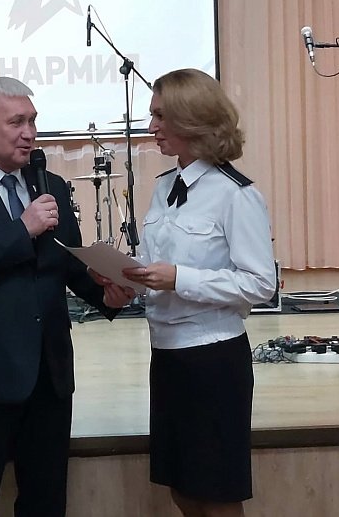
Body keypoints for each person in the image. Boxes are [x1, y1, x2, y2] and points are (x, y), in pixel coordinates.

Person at [0, 76, 134, 517]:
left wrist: (106, 294)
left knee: (45, 500)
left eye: (33, 121)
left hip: (48, 373)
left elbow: (67, 262)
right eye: (16, 122)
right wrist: (22, 229)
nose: (29, 133)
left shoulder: (48, 183)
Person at [122, 69, 276, 517]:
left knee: (216, 493)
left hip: (212, 358)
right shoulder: (163, 187)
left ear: (191, 120)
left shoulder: (235, 194)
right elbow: (153, 264)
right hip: (166, 355)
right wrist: (124, 280)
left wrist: (181, 278)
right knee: (183, 489)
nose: (152, 126)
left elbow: (260, 283)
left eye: (161, 116)